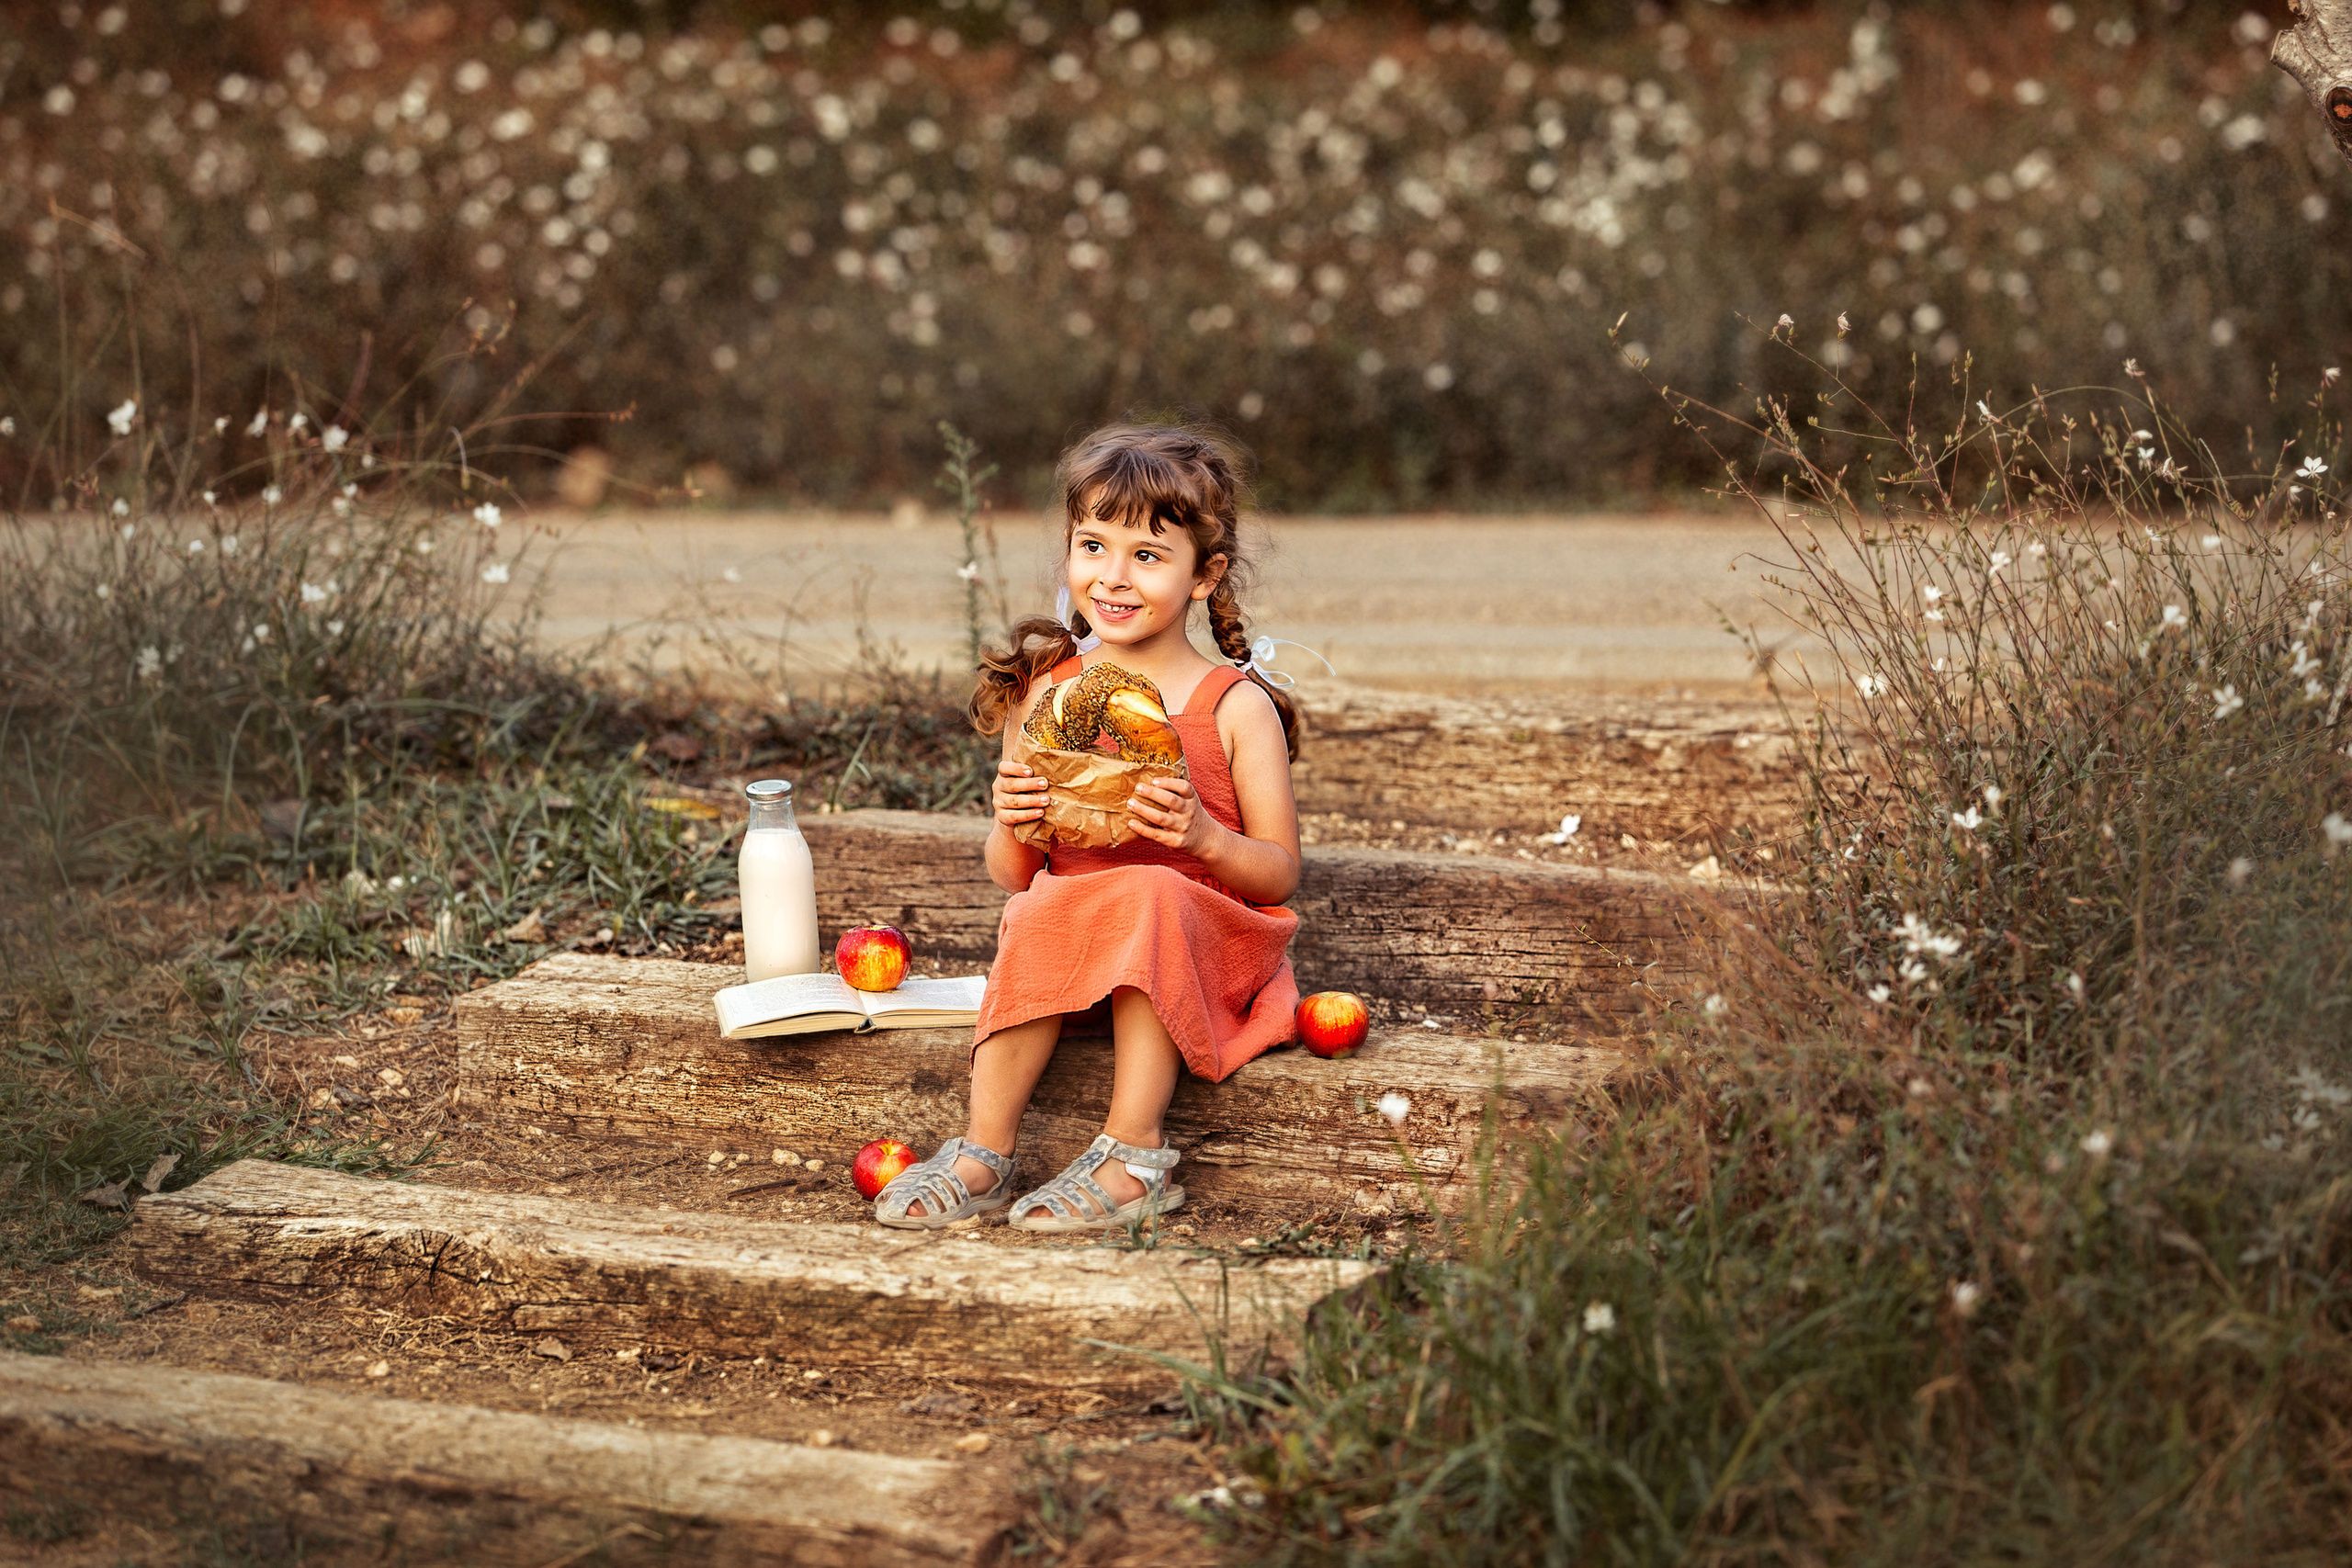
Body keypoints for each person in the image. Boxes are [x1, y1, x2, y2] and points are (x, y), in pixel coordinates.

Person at [873, 423, 1304, 1231]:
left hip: (1202, 946)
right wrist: (1015, 822)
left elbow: (1280, 872)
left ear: (1205, 575)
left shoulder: (1234, 707)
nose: (1112, 575)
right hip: (1074, 944)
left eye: (1147, 554)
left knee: (1145, 887)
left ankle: (1135, 1154)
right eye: (1092, 545)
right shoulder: (1047, 697)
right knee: (1038, 907)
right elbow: (1017, 873)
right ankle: (983, 1151)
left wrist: (1206, 839)